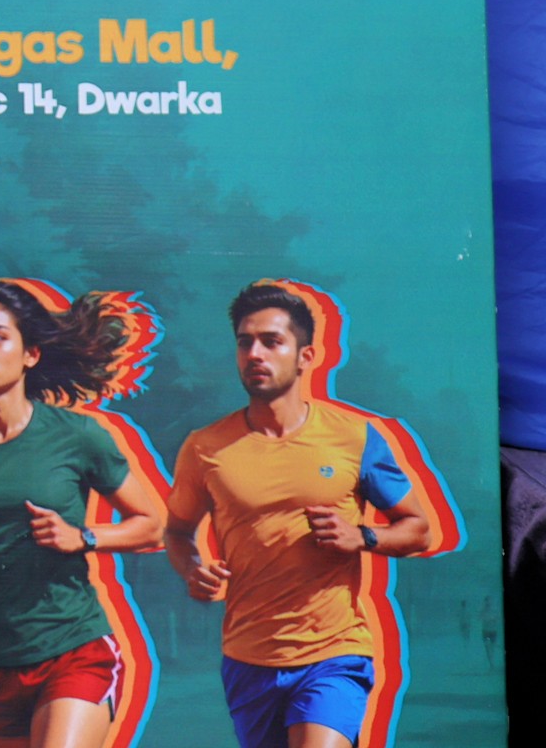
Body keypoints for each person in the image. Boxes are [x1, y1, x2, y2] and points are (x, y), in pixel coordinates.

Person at [0, 280, 170, 748]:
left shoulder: (78, 436)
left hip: (73, 650)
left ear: (30, 354)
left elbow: (153, 527)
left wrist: (83, 537)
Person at [163, 283, 436, 748]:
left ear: (306, 356)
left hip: (335, 652)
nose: (255, 353)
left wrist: (363, 537)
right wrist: (192, 568)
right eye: (245, 342)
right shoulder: (204, 448)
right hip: (248, 658)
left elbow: (419, 529)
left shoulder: (354, 438)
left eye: (271, 341)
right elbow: (176, 531)